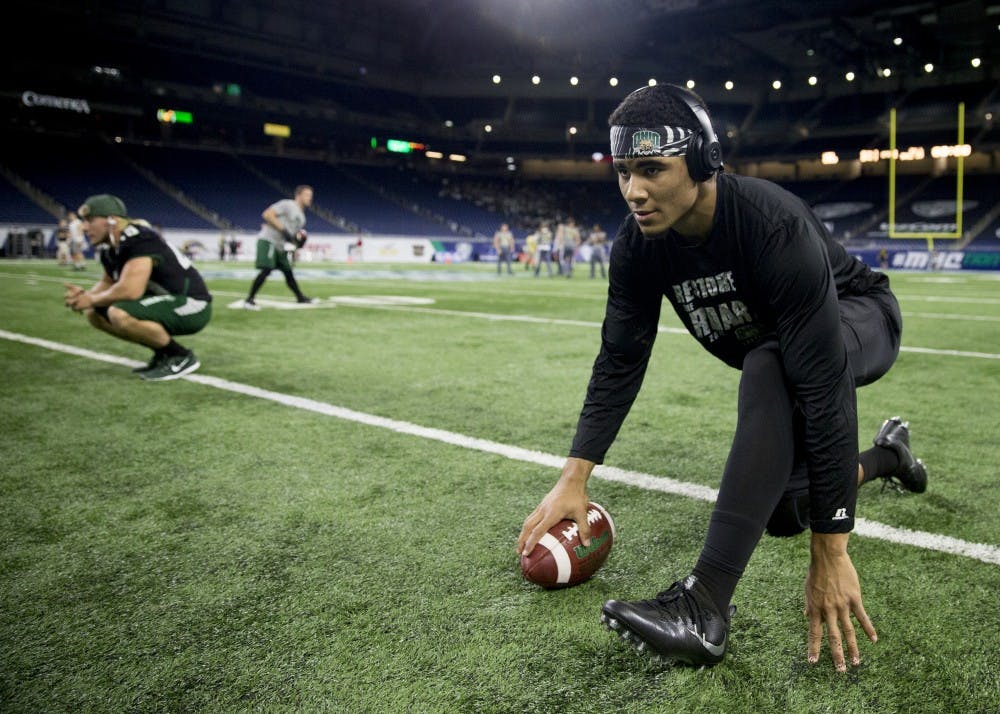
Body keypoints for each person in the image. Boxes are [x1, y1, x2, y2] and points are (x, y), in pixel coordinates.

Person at [516, 84, 928, 672]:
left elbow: (822, 387)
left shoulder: (770, 225)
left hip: (859, 316)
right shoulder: (638, 246)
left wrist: (832, 546)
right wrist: (573, 476)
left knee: (769, 361)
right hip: (786, 352)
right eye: (624, 171)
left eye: (652, 169)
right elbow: (620, 360)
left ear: (705, 159)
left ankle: (704, 604)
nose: (634, 191)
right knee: (785, 511)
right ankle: (890, 455)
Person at [63, 194, 212, 381]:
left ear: (112, 220)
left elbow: (130, 290)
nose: (84, 227)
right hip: (168, 300)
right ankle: (163, 352)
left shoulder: (139, 239)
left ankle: (179, 355)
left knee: (119, 313)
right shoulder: (111, 248)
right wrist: (85, 297)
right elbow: (108, 283)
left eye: (90, 220)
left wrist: (91, 299)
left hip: (193, 304)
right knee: (94, 313)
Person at [243, 185, 317, 309]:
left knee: (288, 272)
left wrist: (299, 242)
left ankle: (300, 297)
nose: (310, 198)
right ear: (298, 195)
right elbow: (267, 214)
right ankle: (249, 299)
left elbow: (292, 237)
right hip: (268, 240)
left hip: (280, 245)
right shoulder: (288, 205)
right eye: (307, 195)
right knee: (267, 269)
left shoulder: (302, 218)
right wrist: (283, 230)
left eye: (311, 196)